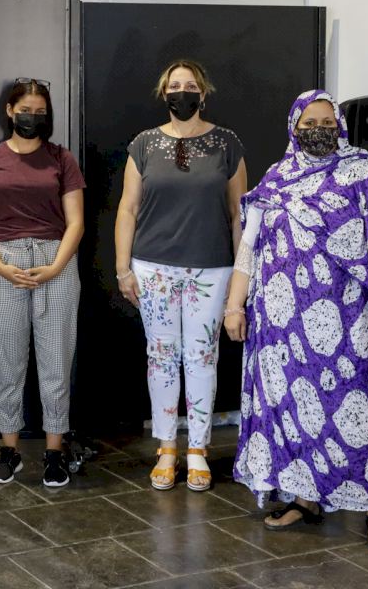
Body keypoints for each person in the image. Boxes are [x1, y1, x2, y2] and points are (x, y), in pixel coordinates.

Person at [224, 89, 368, 551]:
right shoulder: (277, 177)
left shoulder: (365, 173)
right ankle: (304, 499)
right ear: (293, 128)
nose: (318, 130)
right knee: (292, 415)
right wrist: (234, 305)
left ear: (340, 126)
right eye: (308, 123)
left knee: (352, 414)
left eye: (327, 122)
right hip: (279, 327)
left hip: (347, 321)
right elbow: (249, 247)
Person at [114, 60, 246, 492]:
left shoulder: (227, 144)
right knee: (161, 357)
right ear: (164, 92)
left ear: (203, 94)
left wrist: (241, 276)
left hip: (212, 267)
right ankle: (167, 447)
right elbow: (128, 209)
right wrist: (122, 268)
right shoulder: (144, 145)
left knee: (203, 357)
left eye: (190, 85)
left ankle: (198, 449)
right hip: (153, 267)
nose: (182, 91)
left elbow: (239, 215)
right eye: (174, 85)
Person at [0, 78, 85, 488]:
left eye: (39, 112)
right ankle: (10, 451)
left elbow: (76, 222)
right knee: (6, 363)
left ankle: (54, 452)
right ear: (9, 111)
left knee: (56, 363)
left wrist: (55, 267)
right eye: (25, 111)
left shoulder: (62, 158)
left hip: (56, 261)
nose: (32, 118)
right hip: (5, 262)